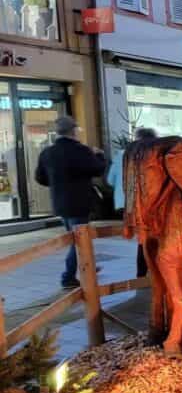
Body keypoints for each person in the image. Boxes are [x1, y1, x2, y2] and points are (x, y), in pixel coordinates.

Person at [34, 116, 106, 288]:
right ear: (73, 131)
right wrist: (100, 156)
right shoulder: (81, 150)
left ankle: (87, 266)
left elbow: (40, 178)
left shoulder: (47, 152)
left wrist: (58, 183)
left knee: (74, 237)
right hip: (79, 203)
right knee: (77, 240)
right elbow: (97, 169)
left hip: (60, 202)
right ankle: (67, 277)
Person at [108, 127, 157, 278]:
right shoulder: (154, 155)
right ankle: (152, 271)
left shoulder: (122, 155)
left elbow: (110, 180)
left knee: (143, 238)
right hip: (148, 203)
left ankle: (142, 273)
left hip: (126, 205)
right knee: (151, 236)